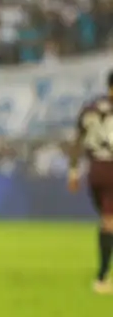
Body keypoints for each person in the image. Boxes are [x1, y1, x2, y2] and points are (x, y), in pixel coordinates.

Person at [68, 70, 113, 294]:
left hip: (94, 170)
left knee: (107, 220)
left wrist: (74, 171)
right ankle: (102, 277)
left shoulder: (89, 109)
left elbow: (77, 141)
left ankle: (103, 275)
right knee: (109, 221)